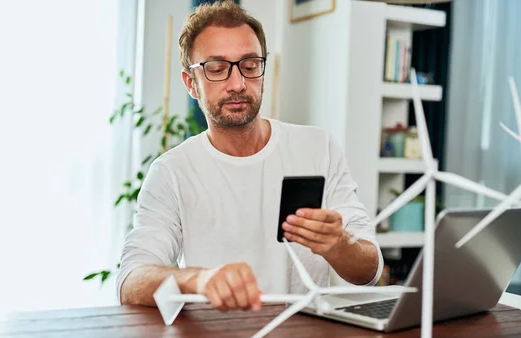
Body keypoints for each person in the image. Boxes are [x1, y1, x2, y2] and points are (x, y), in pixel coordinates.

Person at [117, 1, 383, 313]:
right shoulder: (172, 171)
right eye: (217, 69)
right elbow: (131, 281)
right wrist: (199, 281)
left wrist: (339, 245)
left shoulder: (317, 147)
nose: (238, 84)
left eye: (250, 65)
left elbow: (369, 271)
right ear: (191, 83)